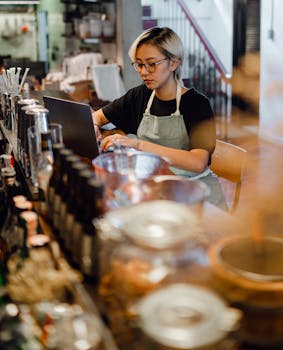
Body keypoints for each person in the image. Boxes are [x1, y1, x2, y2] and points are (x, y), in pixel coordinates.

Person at [93, 27, 227, 209]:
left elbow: (197, 162)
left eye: (151, 64)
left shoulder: (197, 104)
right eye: (139, 64)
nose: (143, 72)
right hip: (159, 190)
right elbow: (97, 117)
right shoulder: (139, 96)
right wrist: (93, 125)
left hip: (196, 196)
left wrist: (138, 145)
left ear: (174, 63)